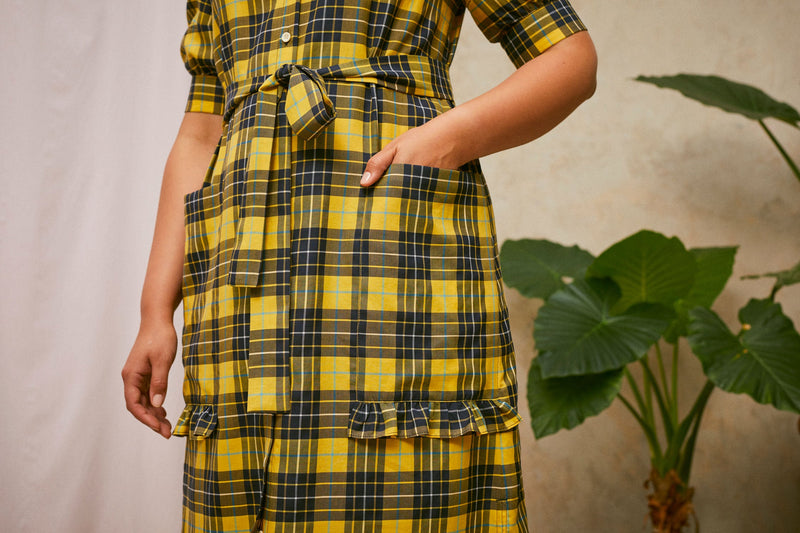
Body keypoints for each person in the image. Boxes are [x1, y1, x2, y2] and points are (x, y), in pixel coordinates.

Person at [122, 0, 596, 531]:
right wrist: (155, 311)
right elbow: (201, 134)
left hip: (392, 250)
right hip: (240, 280)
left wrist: (440, 141)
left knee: (398, 471)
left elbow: (569, 58)